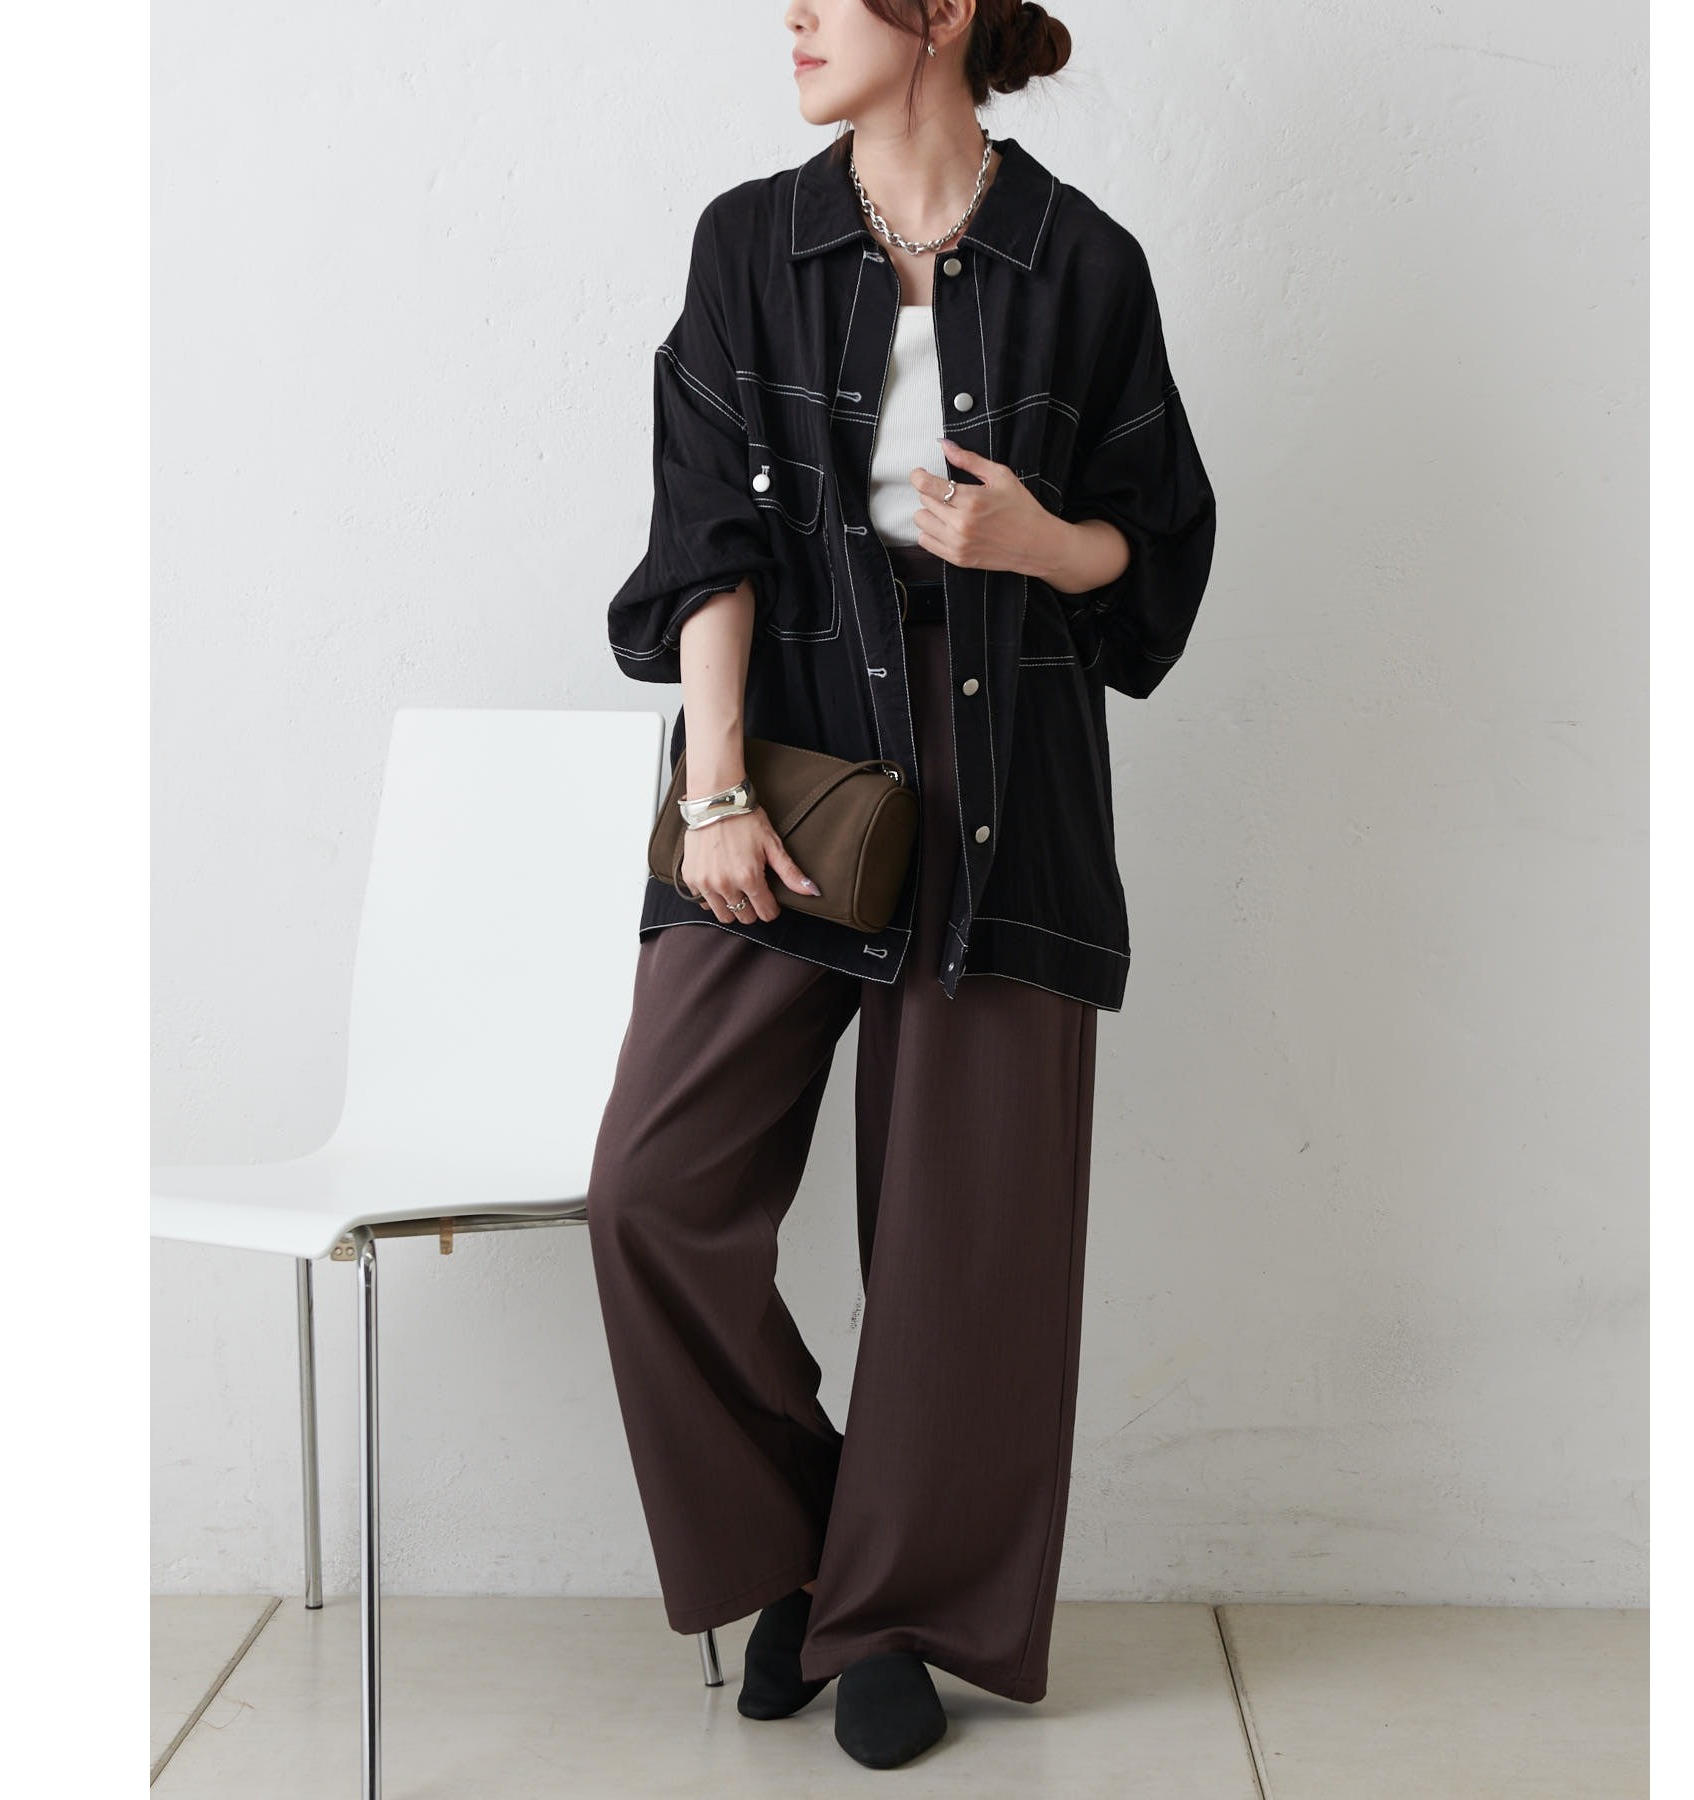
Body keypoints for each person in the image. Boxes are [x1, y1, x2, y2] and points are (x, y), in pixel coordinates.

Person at [586, 0, 1216, 1771]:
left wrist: (1040, 540)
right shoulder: (751, 243)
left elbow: (1157, 556)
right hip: (793, 756)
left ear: (938, 13)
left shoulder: (1083, 262)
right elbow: (705, 536)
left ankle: (904, 1615)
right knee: (650, 1192)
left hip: (1005, 771)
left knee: (966, 1242)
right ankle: (808, 1558)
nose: (790, 16)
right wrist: (713, 788)